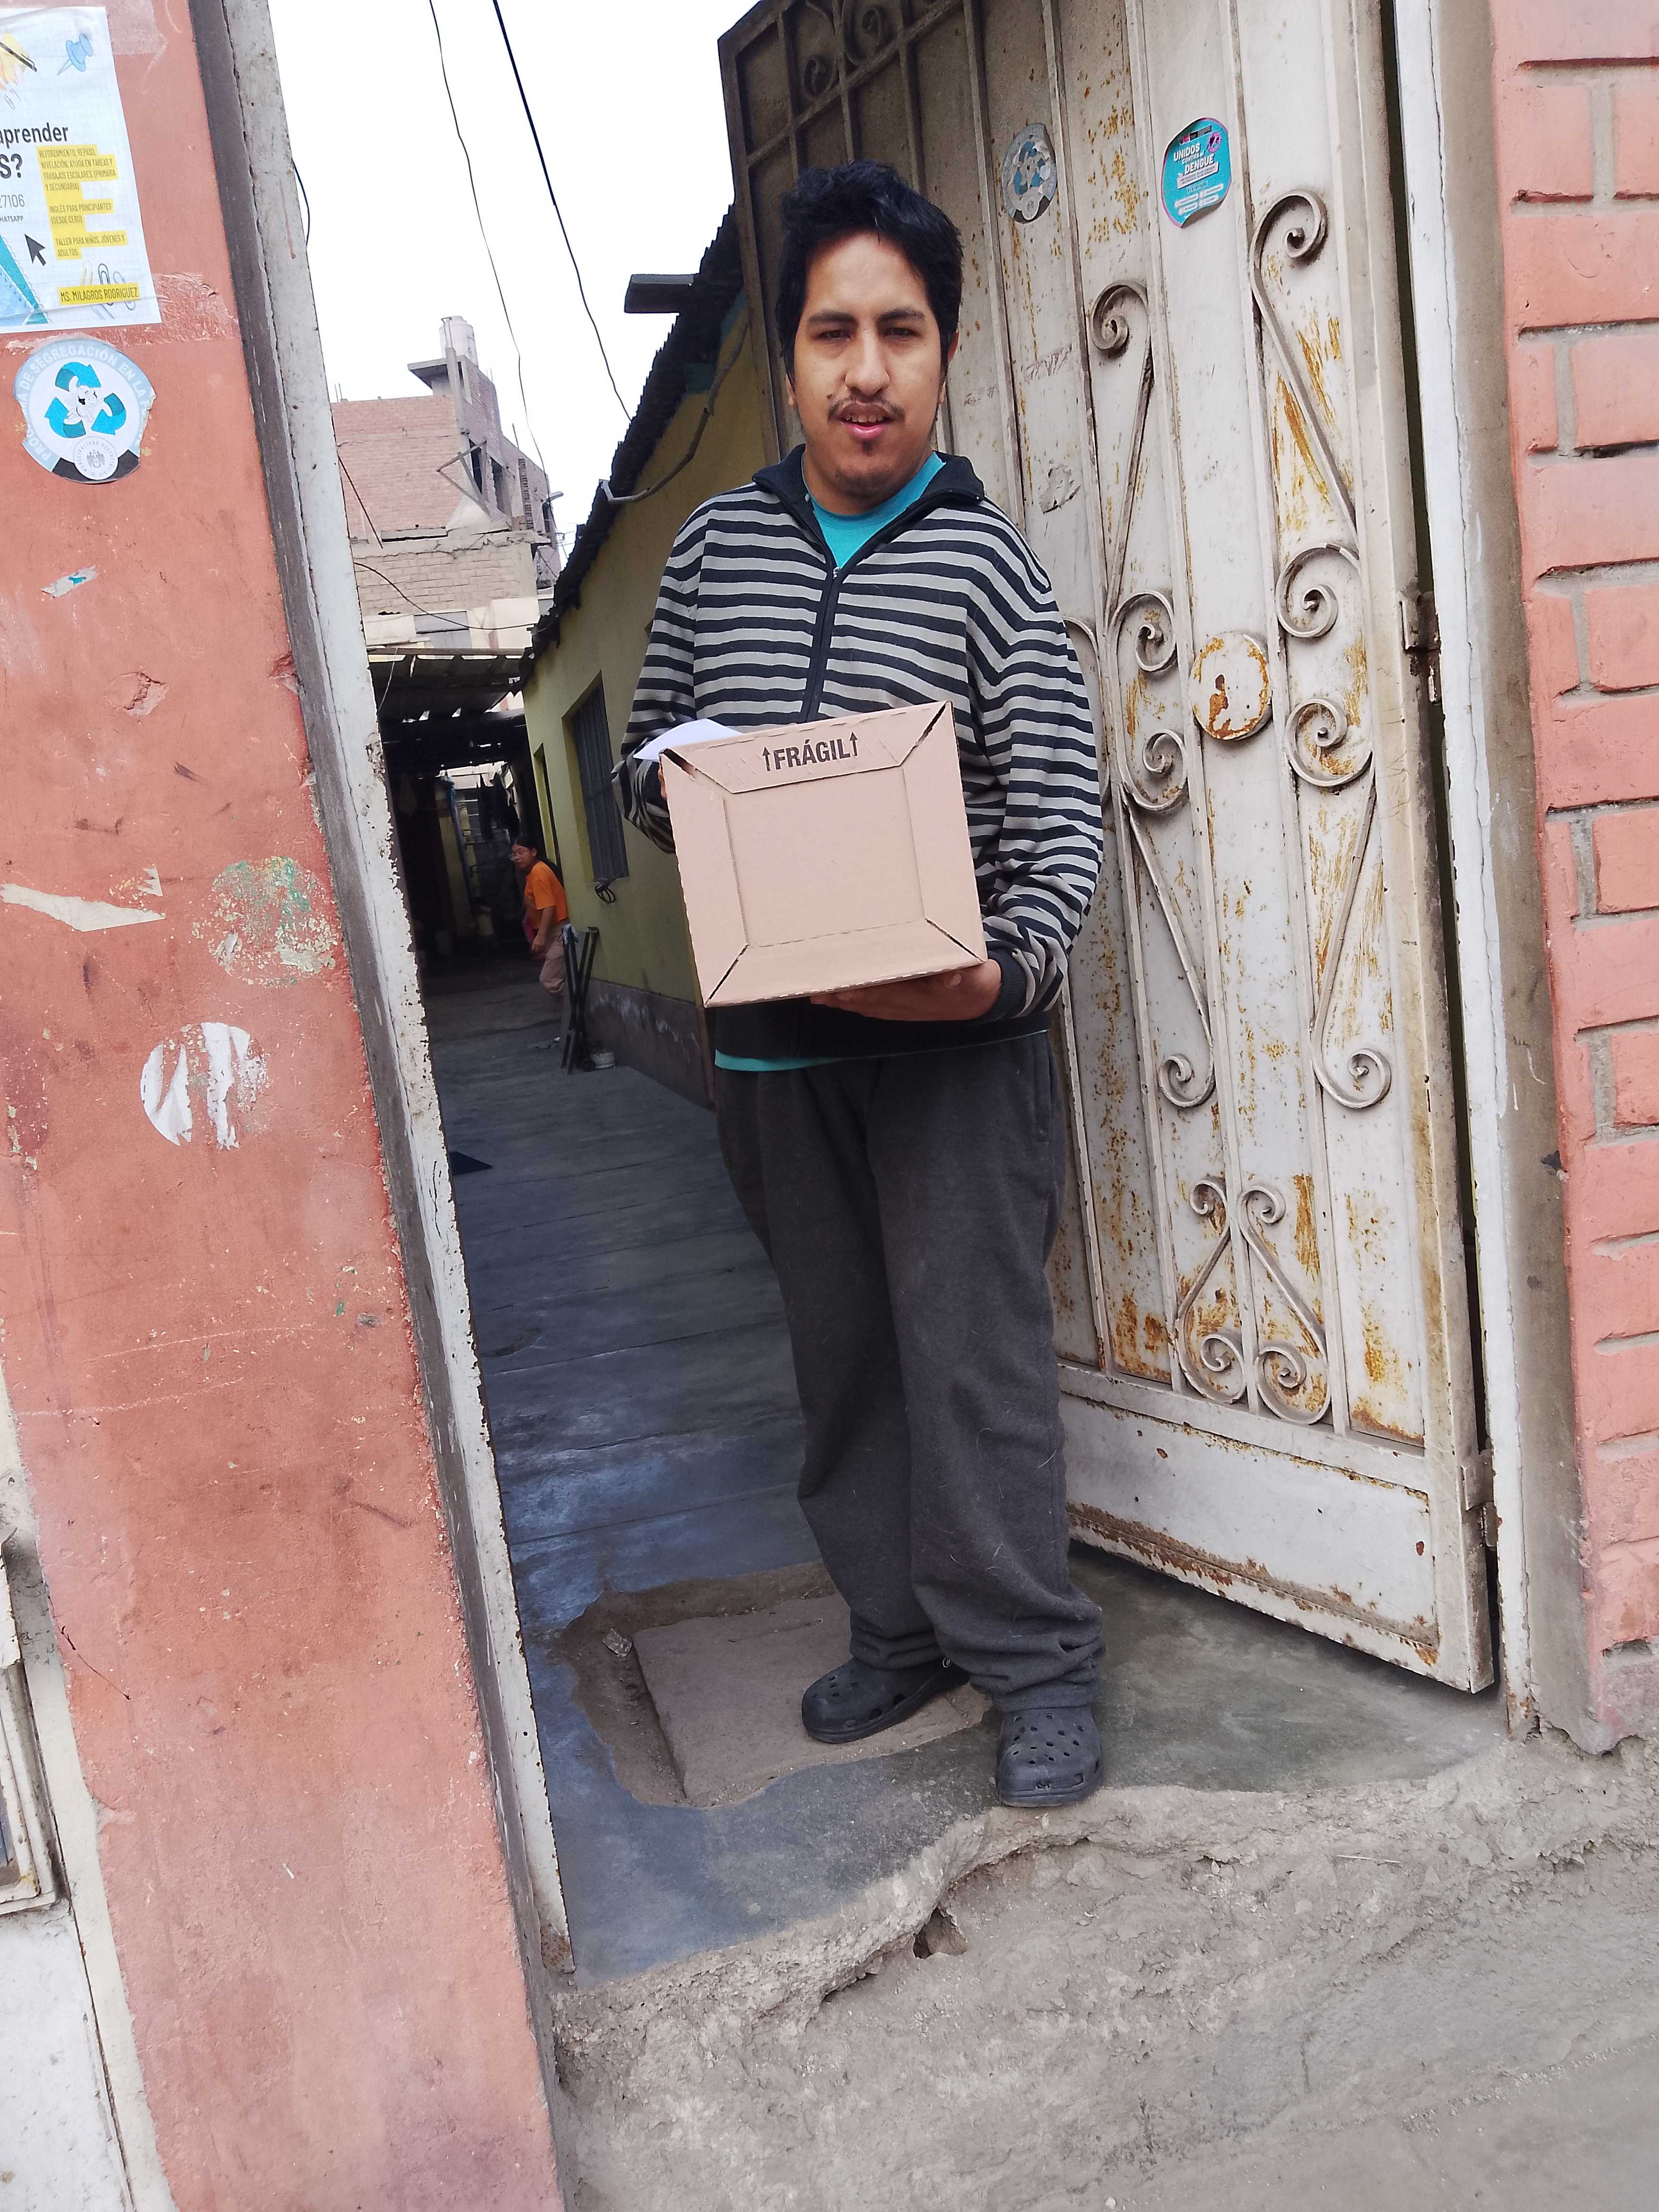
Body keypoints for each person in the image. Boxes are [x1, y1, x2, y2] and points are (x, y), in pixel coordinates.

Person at [617, 160, 1106, 1808]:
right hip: (773, 1047)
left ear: (943, 351)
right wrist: (686, 790)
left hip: (954, 1049)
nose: (867, 369)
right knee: (843, 1359)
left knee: (972, 1361)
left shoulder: (986, 568)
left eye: (901, 330)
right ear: (790, 355)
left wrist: (998, 980)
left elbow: (1059, 819)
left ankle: (1034, 1661)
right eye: (834, 331)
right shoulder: (711, 553)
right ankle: (898, 1630)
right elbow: (644, 756)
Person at [511, 834, 567, 1003]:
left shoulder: (538, 872)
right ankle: (573, 1009)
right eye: (514, 855)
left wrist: (541, 937)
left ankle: (580, 1007)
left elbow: (549, 906)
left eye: (521, 852)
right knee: (558, 975)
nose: (517, 858)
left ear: (534, 851)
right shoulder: (534, 873)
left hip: (558, 931)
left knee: (549, 980)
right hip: (554, 932)